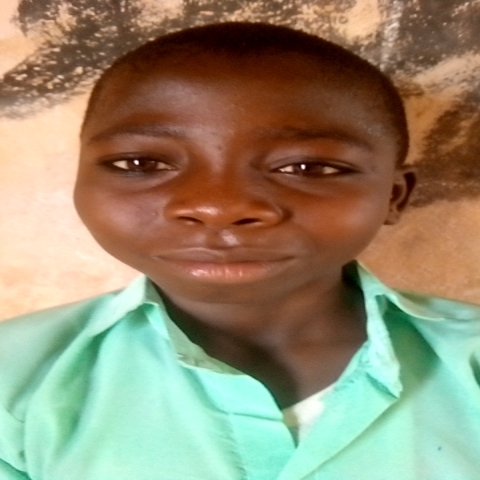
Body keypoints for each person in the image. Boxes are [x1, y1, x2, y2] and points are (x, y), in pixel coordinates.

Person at [1, 21, 479, 480]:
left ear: (394, 196)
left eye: (307, 168)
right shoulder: (14, 378)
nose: (218, 207)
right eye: (141, 163)